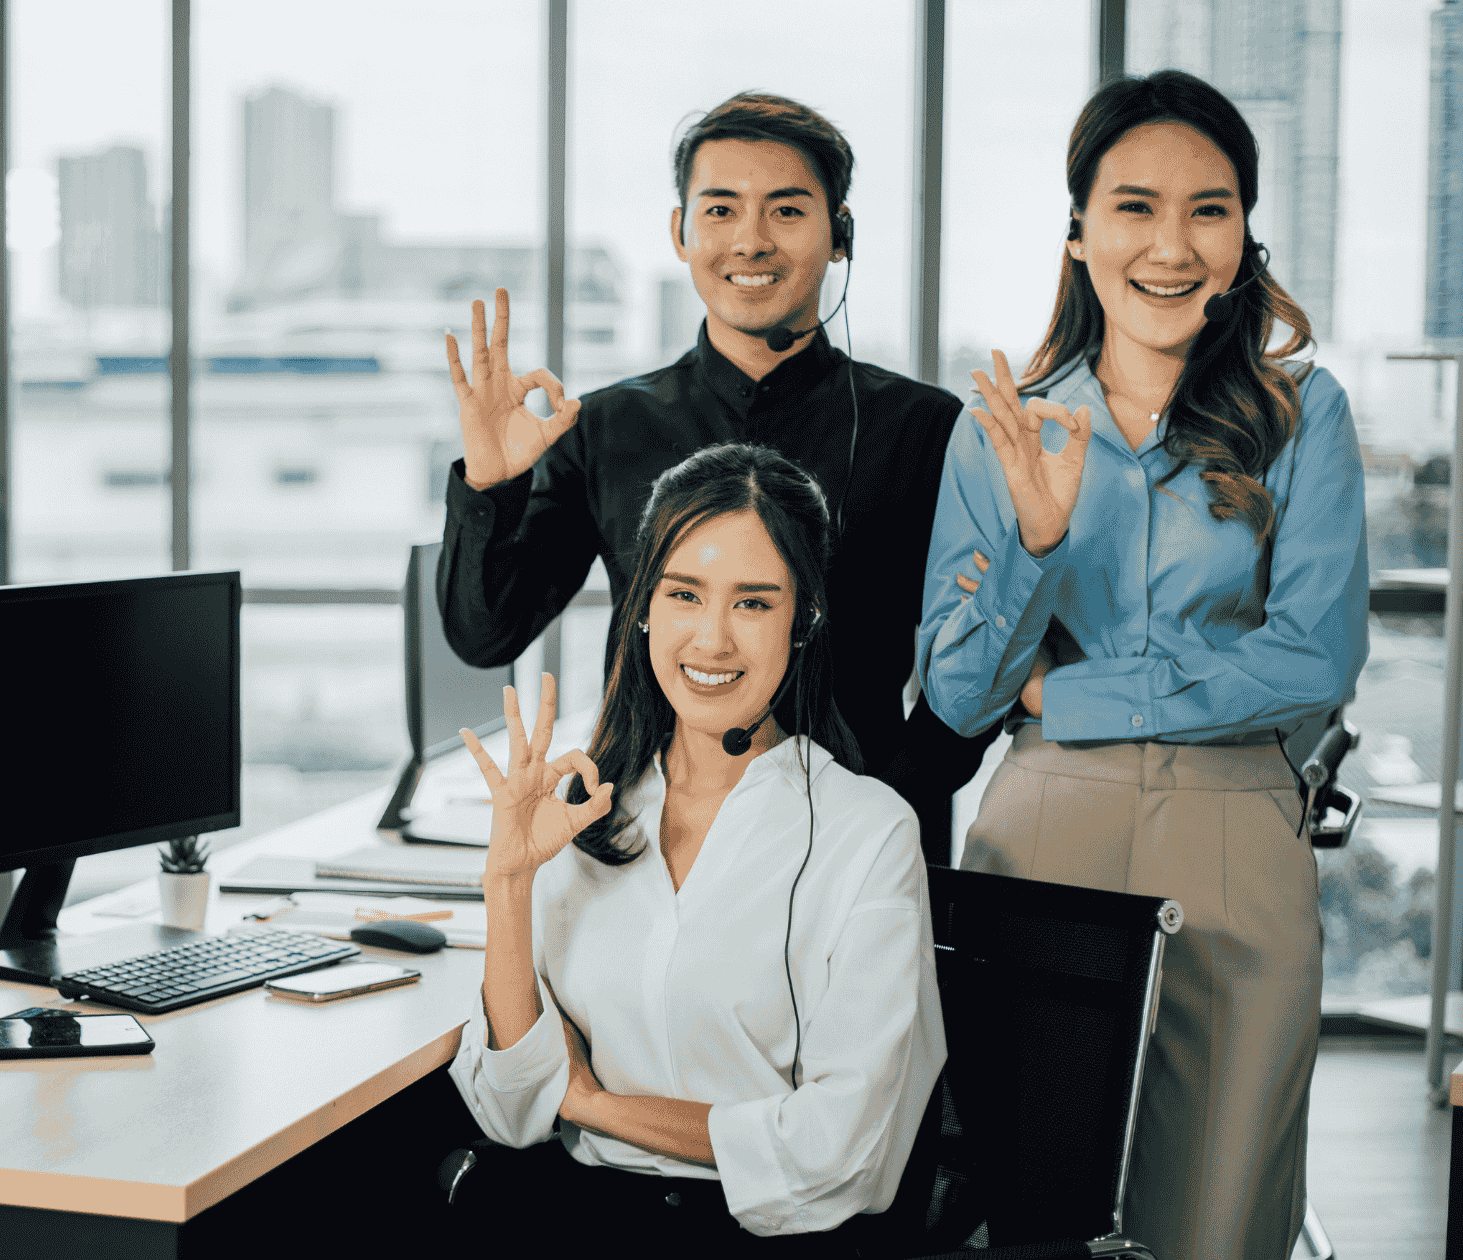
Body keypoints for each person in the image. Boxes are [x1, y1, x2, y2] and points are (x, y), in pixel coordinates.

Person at [918, 70, 1366, 1260]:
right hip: (1041, 847)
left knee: (1217, 1221)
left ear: (1241, 236)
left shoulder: (1300, 415)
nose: (1169, 246)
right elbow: (956, 695)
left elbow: (1312, 661)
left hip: (1236, 851)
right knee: (1031, 1221)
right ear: (1077, 231)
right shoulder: (1001, 427)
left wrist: (1069, 694)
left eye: (1206, 210)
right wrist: (1035, 545)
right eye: (1133, 207)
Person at [438, 92, 993, 867]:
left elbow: (976, 666)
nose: (751, 241)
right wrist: (491, 485)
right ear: (681, 232)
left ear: (840, 234)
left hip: (856, 853)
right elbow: (485, 633)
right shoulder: (604, 427)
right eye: (721, 210)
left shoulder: (925, 429)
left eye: (787, 211)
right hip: (647, 846)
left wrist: (883, 805)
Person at [446, 443, 944, 1254]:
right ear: (644, 606)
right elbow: (508, 1111)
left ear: (804, 620)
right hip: (578, 1222)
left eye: (753, 603)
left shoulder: (866, 833)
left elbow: (841, 1155)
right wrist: (507, 884)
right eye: (684, 594)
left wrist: (592, 1105)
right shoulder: (585, 811)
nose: (711, 640)